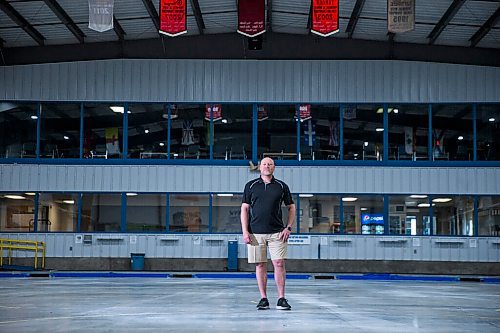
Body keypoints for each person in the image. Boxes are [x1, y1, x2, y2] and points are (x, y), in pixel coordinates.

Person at [240, 157, 296, 310]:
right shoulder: (250, 186)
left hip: (277, 232)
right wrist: (245, 231)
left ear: (274, 167)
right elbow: (244, 209)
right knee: (260, 264)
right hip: (255, 233)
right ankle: (263, 298)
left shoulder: (281, 186)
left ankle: (281, 298)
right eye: (264, 164)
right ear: (260, 167)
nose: (267, 166)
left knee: (279, 263)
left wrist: (288, 227)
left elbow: (291, 207)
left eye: (270, 164)